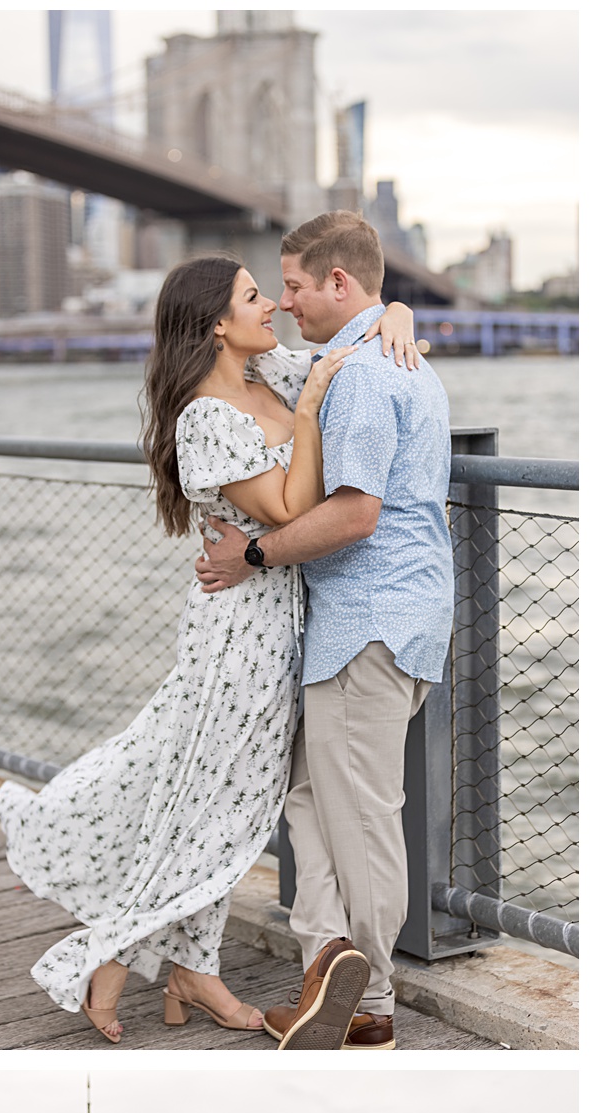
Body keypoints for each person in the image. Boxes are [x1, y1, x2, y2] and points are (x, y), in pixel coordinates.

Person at [0, 255, 423, 1045]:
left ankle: (187, 970)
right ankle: (119, 956)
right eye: (256, 297)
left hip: (290, 618)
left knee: (228, 798)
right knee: (211, 798)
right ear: (218, 324)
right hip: (240, 631)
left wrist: (394, 313)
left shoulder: (277, 373)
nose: (275, 308)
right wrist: (310, 413)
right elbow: (292, 504)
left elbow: (355, 343)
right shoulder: (205, 417)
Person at [197, 212, 455, 1051]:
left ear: (338, 284)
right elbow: (265, 354)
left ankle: (372, 999)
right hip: (382, 621)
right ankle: (327, 967)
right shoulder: (361, 352)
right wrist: (398, 307)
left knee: (365, 816)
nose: (285, 300)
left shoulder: (367, 376)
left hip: (367, 626)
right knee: (310, 796)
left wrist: (256, 552)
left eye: (298, 286)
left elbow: (354, 514)